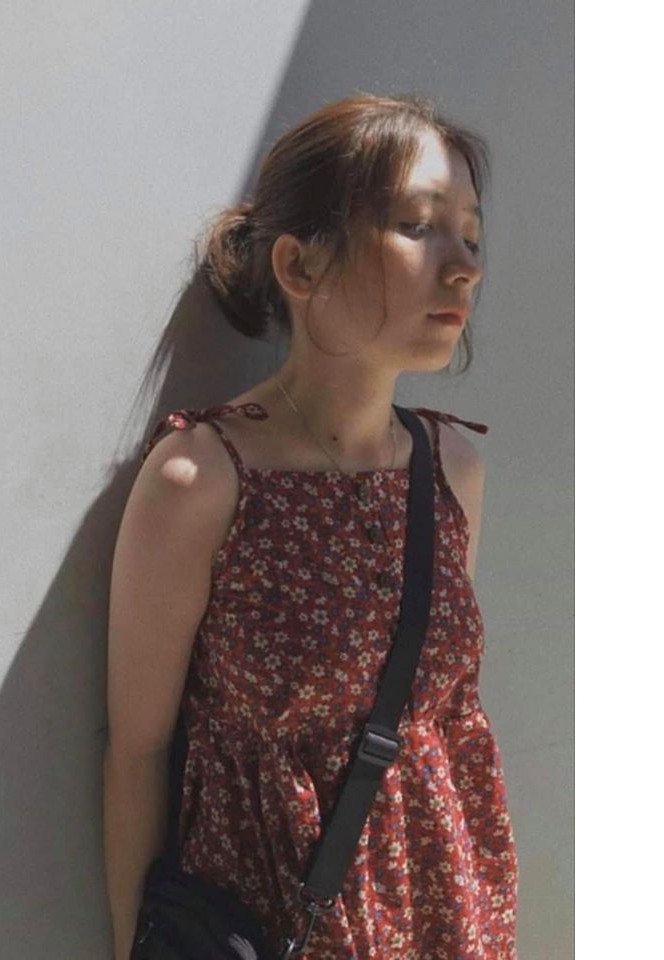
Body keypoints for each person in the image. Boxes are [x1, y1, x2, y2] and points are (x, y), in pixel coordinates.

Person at [103, 93, 519, 960]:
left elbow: (436, 722)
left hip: (446, 920)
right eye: (419, 226)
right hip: (274, 924)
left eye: (472, 237)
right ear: (299, 264)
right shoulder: (202, 479)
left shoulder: (451, 470)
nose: (464, 269)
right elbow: (138, 753)